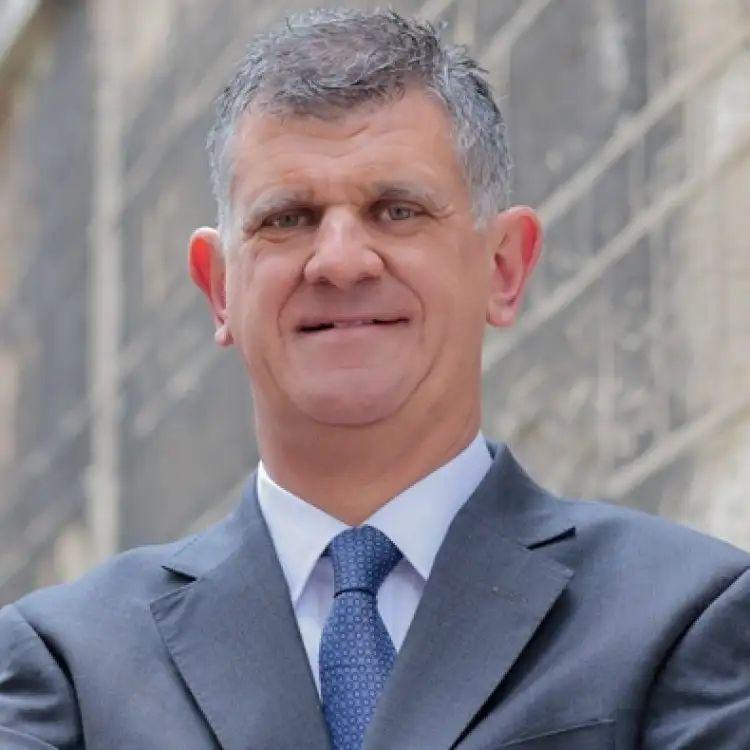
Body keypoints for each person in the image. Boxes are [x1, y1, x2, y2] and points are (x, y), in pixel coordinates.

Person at [1, 7, 749, 749]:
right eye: (288, 218)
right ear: (220, 288)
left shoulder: (684, 619)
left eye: (397, 210)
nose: (340, 261)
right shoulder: (68, 669)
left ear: (502, 268)